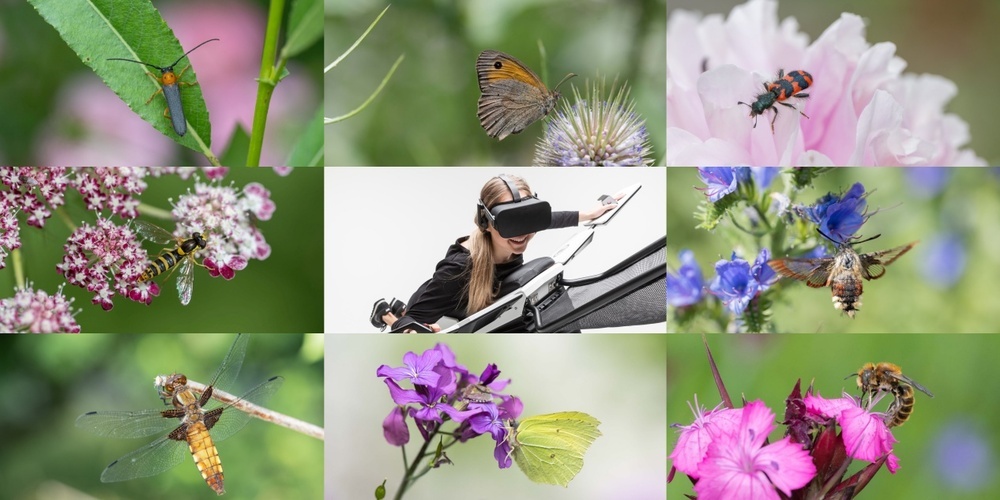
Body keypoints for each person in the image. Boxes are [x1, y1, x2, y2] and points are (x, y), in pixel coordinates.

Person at [370, 174, 619, 333]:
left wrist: (586, 215)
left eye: (528, 218)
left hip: (484, 299)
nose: (522, 234)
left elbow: (546, 220)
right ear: (485, 222)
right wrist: (408, 326)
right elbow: (411, 326)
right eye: (511, 222)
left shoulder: (513, 233)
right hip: (437, 303)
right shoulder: (457, 269)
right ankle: (387, 313)